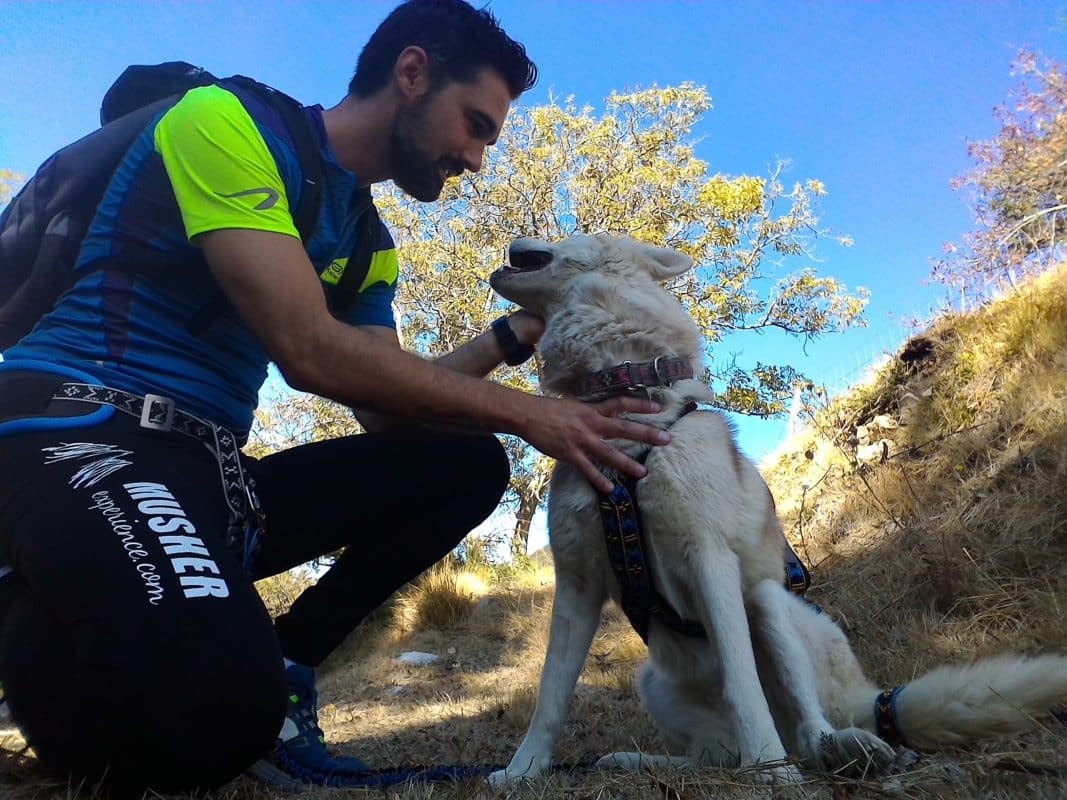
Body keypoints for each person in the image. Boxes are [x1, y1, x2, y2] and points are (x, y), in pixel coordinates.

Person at [0, 0, 671, 794]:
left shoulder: (365, 244)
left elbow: (390, 413)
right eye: (475, 125)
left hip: (207, 475)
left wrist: (519, 333)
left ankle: (279, 666)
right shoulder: (224, 122)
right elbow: (307, 348)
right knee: (213, 711)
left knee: (461, 463)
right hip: (77, 431)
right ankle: (41, 601)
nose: (476, 158)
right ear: (411, 73)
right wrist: (540, 415)